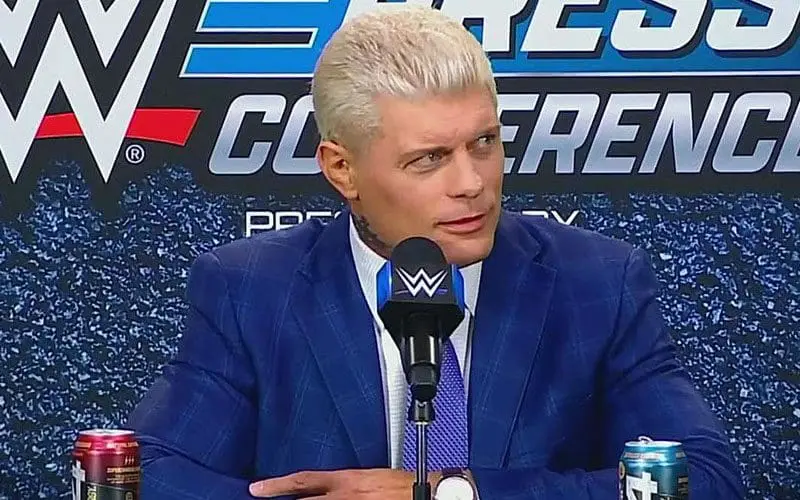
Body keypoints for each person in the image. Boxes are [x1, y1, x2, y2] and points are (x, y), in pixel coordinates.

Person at [127, 5, 745, 499]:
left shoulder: (598, 284)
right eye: (429, 159)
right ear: (342, 169)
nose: (472, 182)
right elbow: (146, 474)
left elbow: (702, 479)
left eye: (484, 143)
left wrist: (454, 492)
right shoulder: (253, 289)